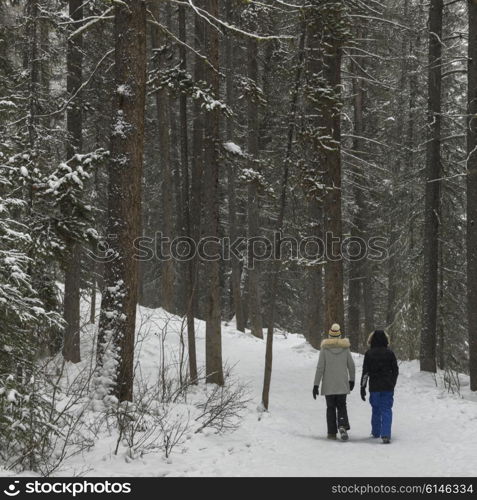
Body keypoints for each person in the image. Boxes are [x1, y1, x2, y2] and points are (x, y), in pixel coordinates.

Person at [313, 323, 355, 441]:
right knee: (342, 405)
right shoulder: (345, 348)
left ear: (329, 335)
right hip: (342, 383)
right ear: (340, 335)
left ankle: (331, 432)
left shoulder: (324, 349)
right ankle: (342, 425)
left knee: (330, 407)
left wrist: (316, 384)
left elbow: (320, 367)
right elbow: (351, 366)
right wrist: (352, 380)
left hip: (328, 385)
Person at [360, 330, 399, 444]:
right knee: (386, 409)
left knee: (376, 409)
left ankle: (376, 432)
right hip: (387, 386)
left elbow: (365, 373)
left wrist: (362, 387)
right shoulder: (390, 353)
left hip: (374, 387)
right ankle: (386, 434)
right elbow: (395, 370)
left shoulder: (369, 354)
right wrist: (393, 382)